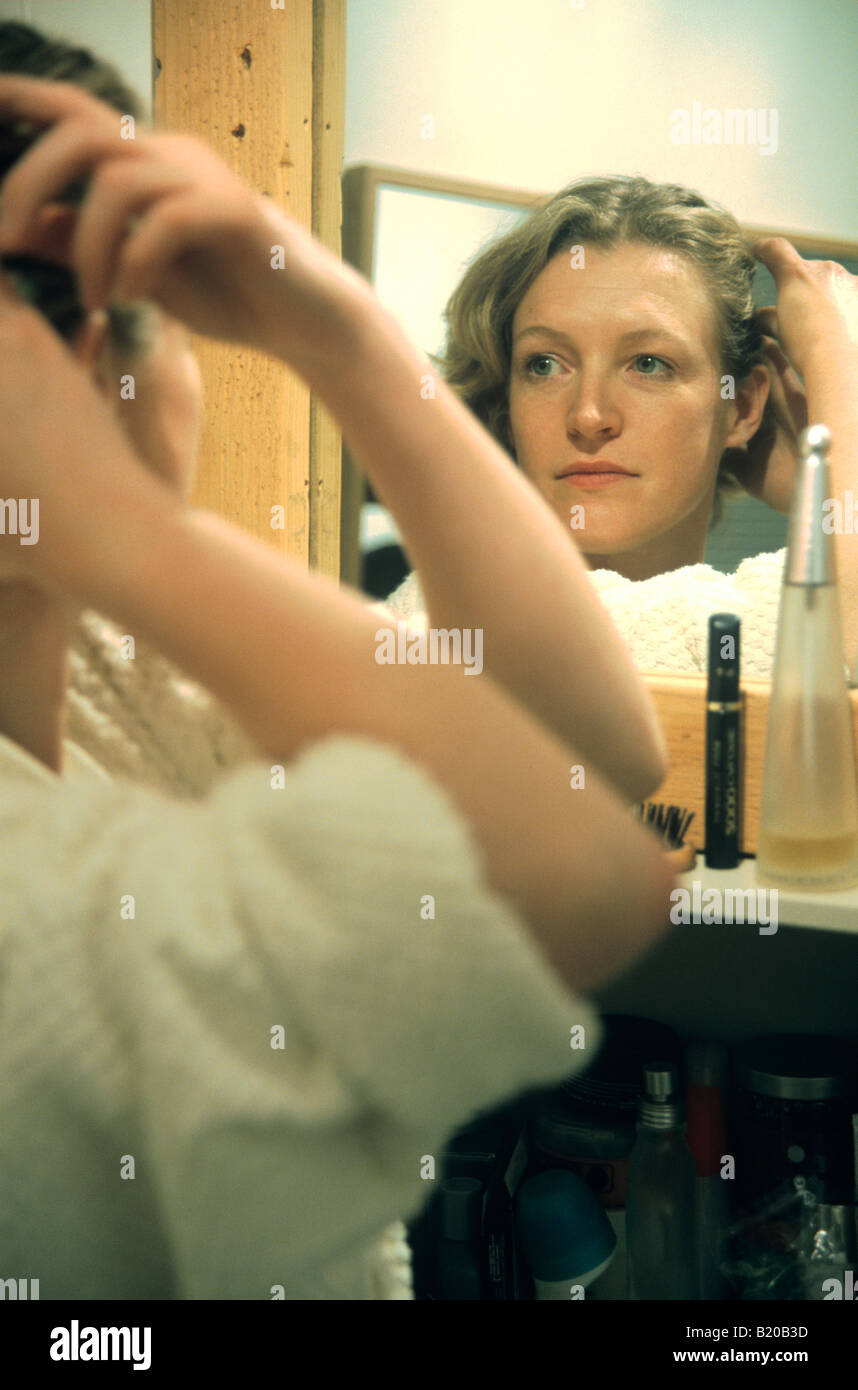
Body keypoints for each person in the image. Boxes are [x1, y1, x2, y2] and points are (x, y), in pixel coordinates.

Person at [0, 27, 676, 1299]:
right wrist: (117, 520)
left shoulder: (134, 665)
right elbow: (584, 870)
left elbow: (591, 756)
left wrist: (345, 335)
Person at [386, 176, 858, 680]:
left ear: (741, 407)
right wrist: (838, 357)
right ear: (507, 410)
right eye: (545, 365)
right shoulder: (446, 619)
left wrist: (818, 488)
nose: (589, 416)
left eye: (649, 364)